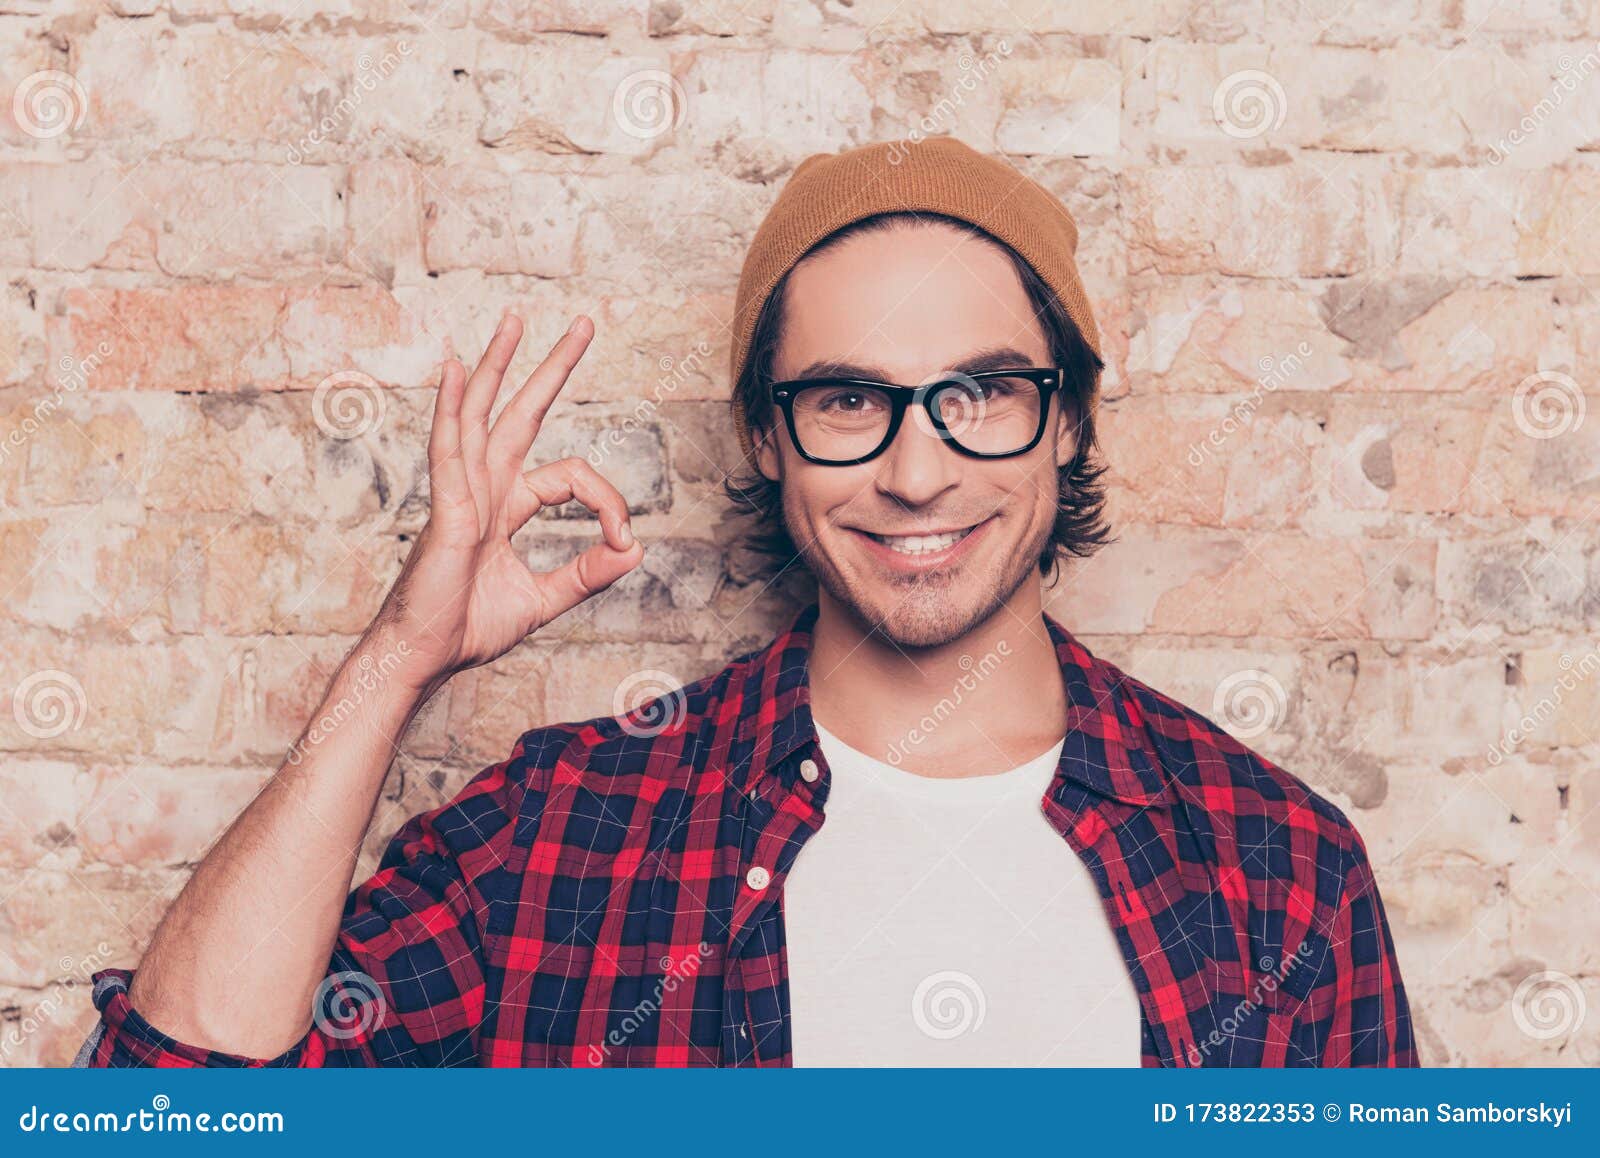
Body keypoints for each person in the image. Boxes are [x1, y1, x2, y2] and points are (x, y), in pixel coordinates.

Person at [79, 137, 1415, 1068]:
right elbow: (168, 1104)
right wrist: (399, 659)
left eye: (981, 393)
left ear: (1063, 419)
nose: (915, 469)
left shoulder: (1278, 870)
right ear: (768, 438)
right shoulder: (564, 839)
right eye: (847, 400)